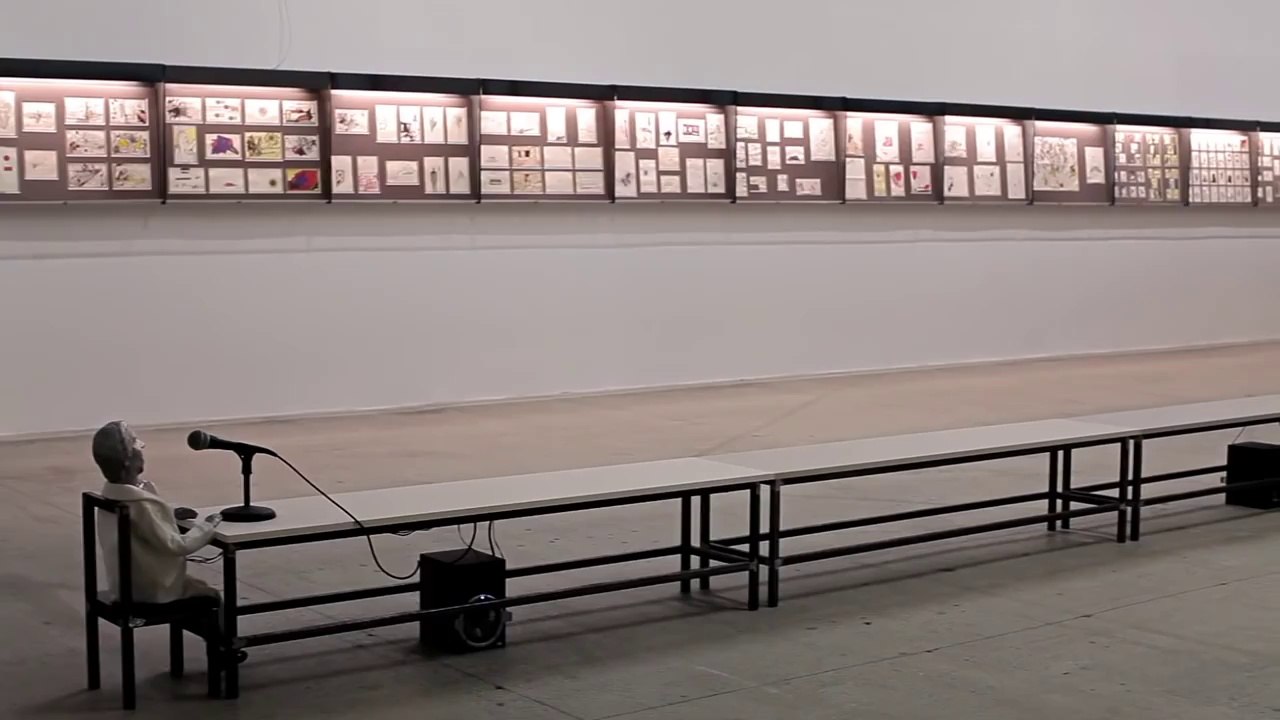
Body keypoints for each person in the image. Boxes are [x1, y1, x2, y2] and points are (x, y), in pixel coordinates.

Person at [93, 420, 222, 604]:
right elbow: (178, 545)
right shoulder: (140, 504)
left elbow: (148, 523)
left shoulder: (112, 497)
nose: (142, 453)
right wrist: (208, 525)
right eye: (138, 448)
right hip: (152, 590)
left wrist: (169, 514)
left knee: (197, 585)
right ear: (130, 461)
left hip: (125, 586)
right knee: (212, 597)